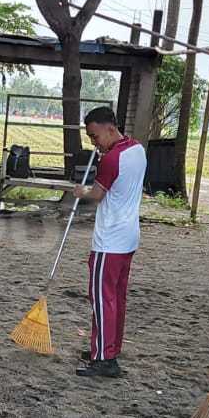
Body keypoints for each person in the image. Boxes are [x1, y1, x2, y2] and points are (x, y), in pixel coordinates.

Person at [72, 107, 146, 378]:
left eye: (94, 136)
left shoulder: (111, 159)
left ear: (109, 128)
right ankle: (106, 348)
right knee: (116, 298)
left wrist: (82, 191)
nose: (93, 142)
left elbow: (98, 194)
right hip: (127, 237)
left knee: (102, 299)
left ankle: (104, 358)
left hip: (110, 240)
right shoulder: (136, 149)